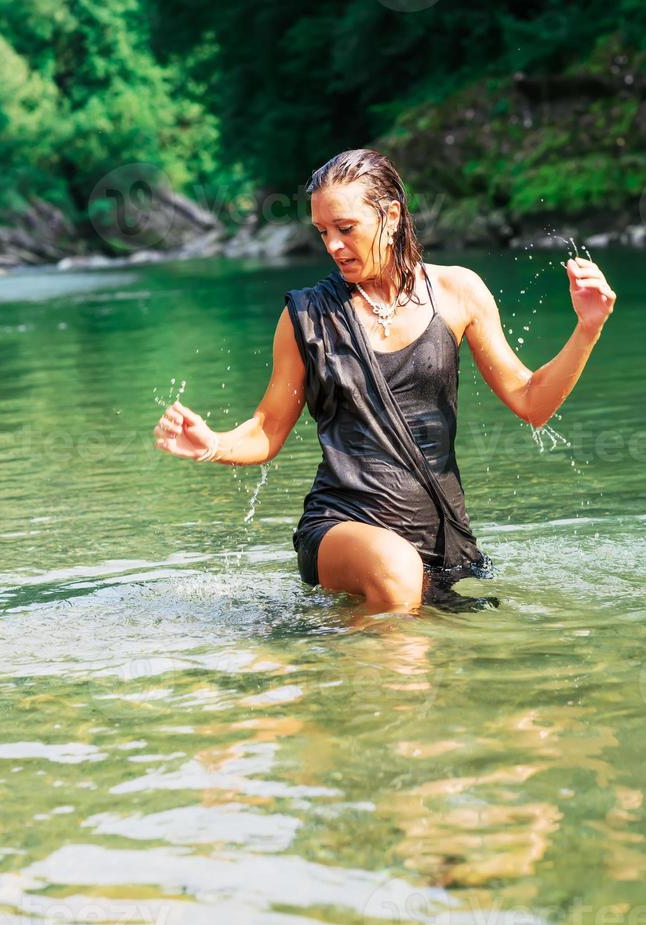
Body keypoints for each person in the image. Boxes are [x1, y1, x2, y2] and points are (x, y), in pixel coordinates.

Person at [153, 149, 616, 613]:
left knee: (419, 659)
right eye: (323, 232)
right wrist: (212, 443)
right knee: (396, 570)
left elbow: (532, 401)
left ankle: (333, 669)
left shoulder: (459, 292)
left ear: (390, 215)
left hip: (440, 543)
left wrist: (587, 329)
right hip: (340, 528)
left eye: (346, 228)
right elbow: (266, 429)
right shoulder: (307, 316)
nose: (333, 245)